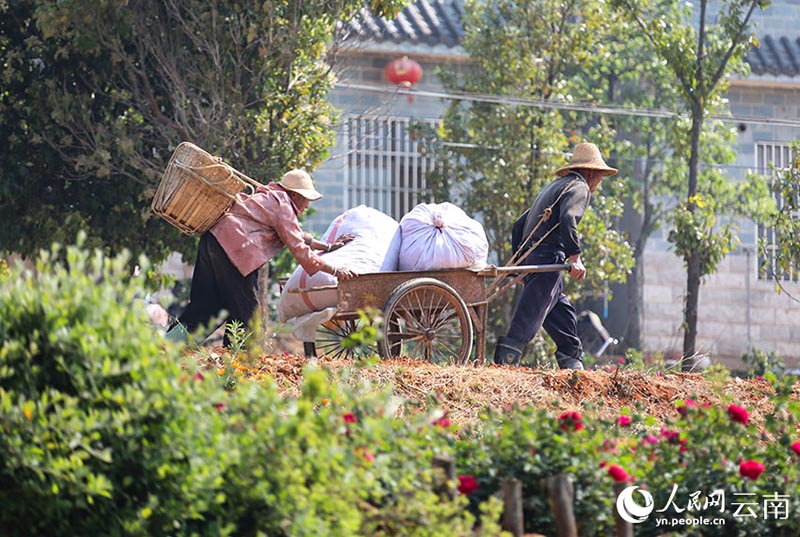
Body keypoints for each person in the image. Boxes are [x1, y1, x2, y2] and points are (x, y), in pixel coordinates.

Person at [167, 169, 357, 343]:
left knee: (207, 306)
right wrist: (334, 270)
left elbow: (296, 235)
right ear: (294, 195)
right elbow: (299, 249)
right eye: (306, 199)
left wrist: (328, 246)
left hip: (213, 240)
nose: (307, 205)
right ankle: (235, 368)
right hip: (235, 251)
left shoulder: (269, 196)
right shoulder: (283, 205)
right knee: (247, 315)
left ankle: (167, 347)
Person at [494, 142, 617, 370]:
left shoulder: (556, 186)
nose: (599, 182)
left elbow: (519, 225)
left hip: (537, 257)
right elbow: (569, 218)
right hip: (548, 257)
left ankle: (572, 359)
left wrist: (519, 263)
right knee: (529, 316)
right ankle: (504, 365)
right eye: (600, 175)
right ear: (591, 173)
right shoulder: (579, 187)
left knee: (560, 310)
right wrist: (575, 257)